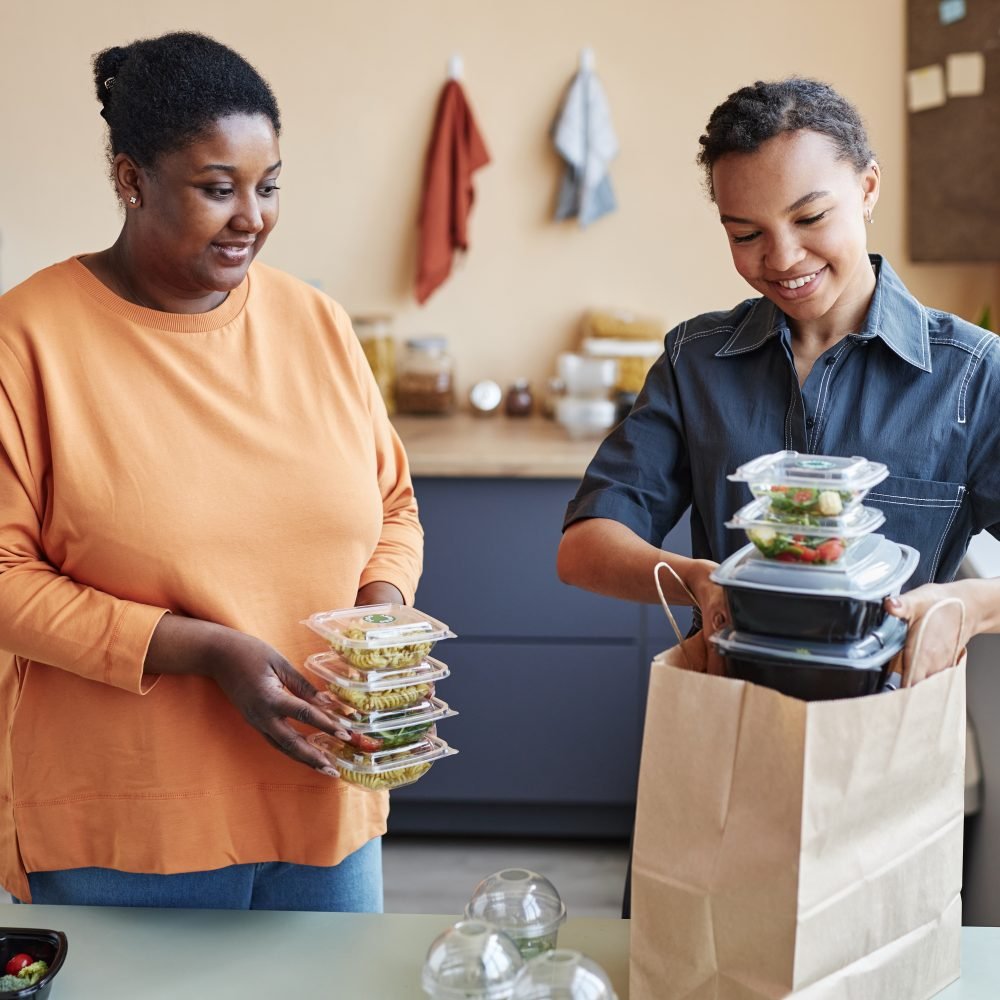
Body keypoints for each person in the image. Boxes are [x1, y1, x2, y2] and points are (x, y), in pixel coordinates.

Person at [0, 31, 422, 910]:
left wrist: (383, 614)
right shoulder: (29, 339)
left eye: (269, 188)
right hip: (126, 821)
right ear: (131, 180)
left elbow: (391, 503)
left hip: (325, 800)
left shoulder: (317, 323)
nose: (252, 218)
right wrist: (207, 651)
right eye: (217, 189)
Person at [559, 76, 1000, 680]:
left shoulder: (973, 376)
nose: (784, 258)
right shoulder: (696, 361)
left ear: (868, 188)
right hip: (724, 722)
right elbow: (584, 547)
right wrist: (702, 582)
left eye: (811, 216)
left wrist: (972, 604)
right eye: (745, 234)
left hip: (888, 729)